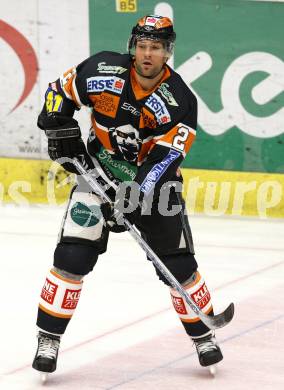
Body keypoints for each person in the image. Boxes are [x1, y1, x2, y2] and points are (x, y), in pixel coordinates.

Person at [32, 15, 223, 374]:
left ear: (168, 52)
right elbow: (60, 92)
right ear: (133, 46)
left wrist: (135, 195)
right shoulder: (102, 70)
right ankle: (49, 337)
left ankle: (203, 335)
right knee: (73, 255)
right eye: (142, 45)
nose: (146, 54)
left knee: (178, 264)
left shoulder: (179, 99)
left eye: (155, 48)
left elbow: (166, 157)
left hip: (155, 185)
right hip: (97, 174)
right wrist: (58, 125)